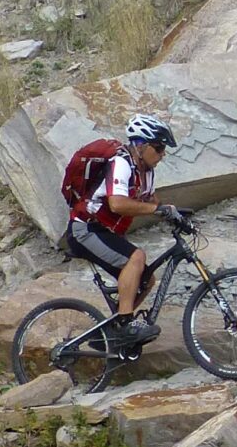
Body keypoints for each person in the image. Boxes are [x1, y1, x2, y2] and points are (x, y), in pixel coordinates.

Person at [63, 115, 184, 346]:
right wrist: (157, 210)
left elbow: (152, 201)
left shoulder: (146, 171)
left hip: (105, 232)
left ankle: (112, 333)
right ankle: (126, 323)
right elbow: (117, 204)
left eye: (164, 150)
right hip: (85, 229)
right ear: (141, 146)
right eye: (159, 148)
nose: (162, 154)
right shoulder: (121, 163)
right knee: (136, 257)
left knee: (146, 280)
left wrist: (176, 215)